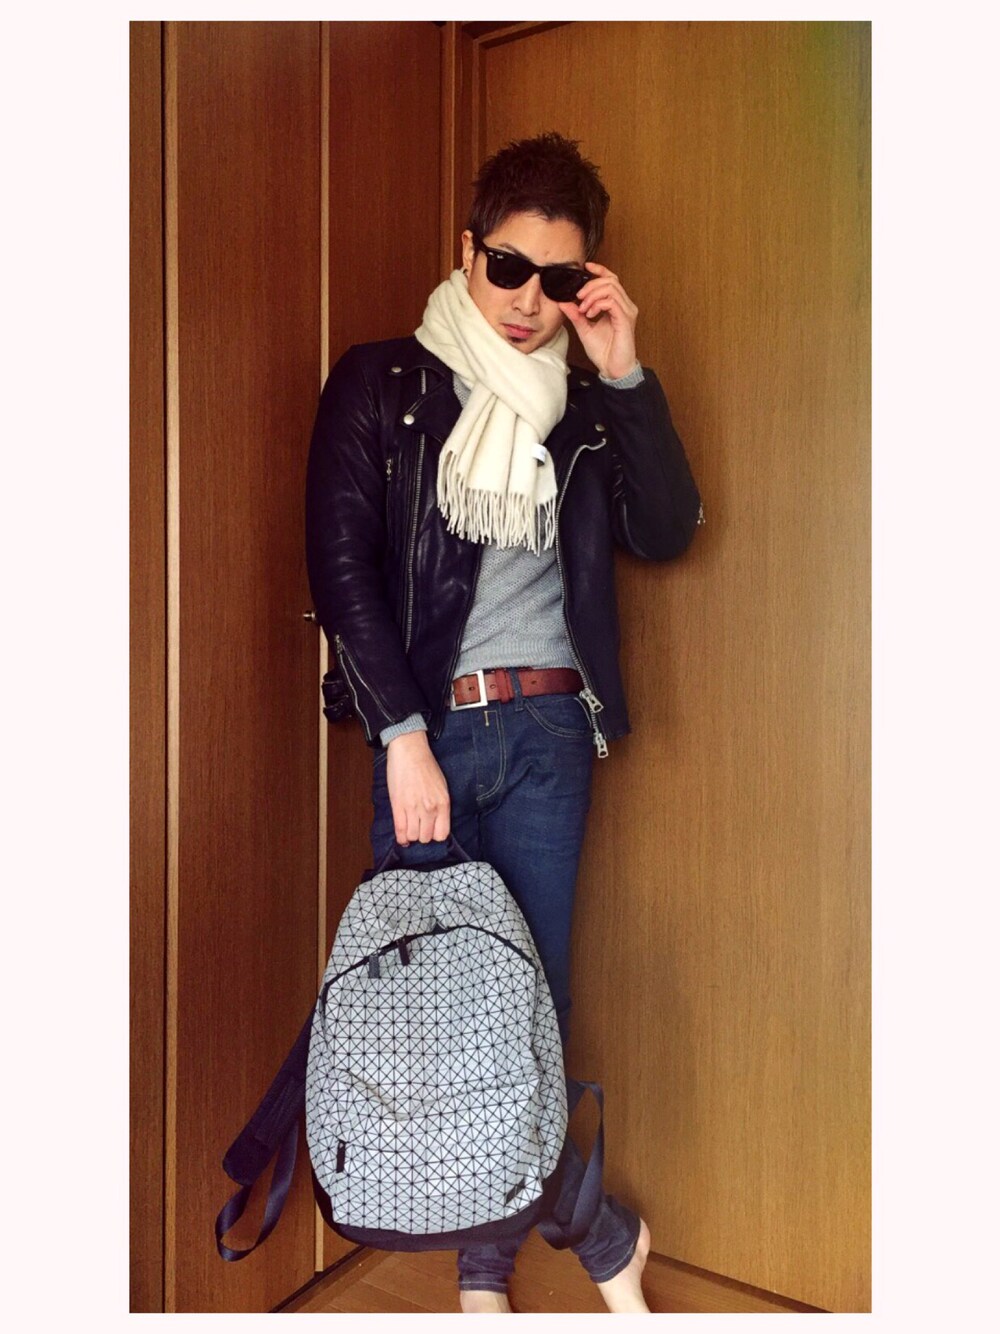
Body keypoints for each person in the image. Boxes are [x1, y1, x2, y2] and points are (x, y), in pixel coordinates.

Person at [306, 131, 701, 1314]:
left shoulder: (580, 410)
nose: (529, 300)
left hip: (545, 737)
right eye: (508, 268)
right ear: (467, 251)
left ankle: (484, 1266)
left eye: (558, 278)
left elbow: (665, 528)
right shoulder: (381, 382)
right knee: (430, 1011)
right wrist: (400, 734)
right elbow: (342, 570)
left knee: (527, 1010)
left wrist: (624, 374)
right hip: (426, 737)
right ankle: (600, 1235)